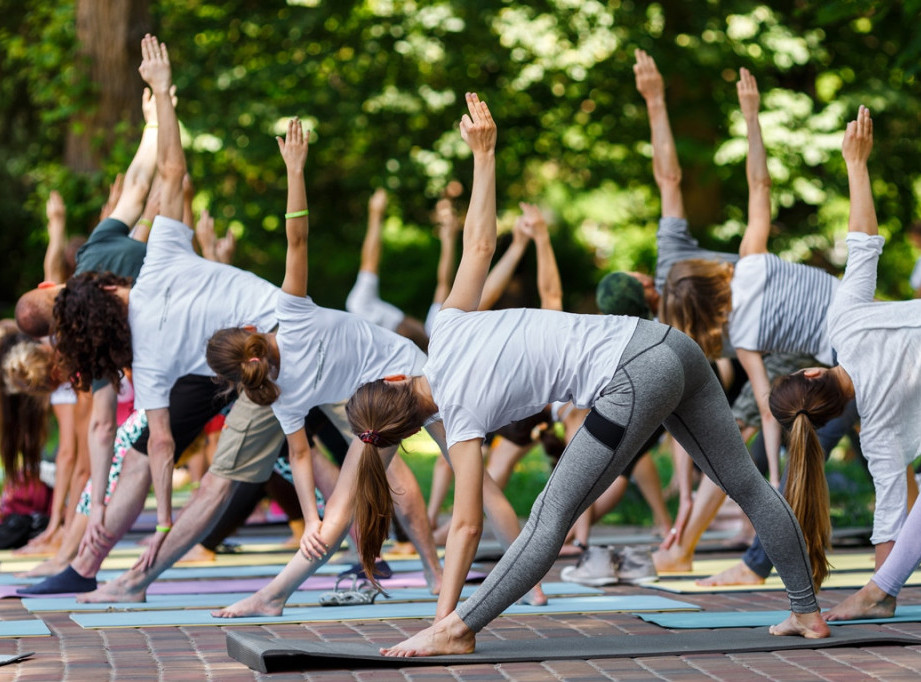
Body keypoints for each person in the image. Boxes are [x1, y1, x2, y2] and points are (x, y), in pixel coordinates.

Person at [344, 93, 828, 657]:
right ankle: (807, 612)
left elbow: (467, 528)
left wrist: (444, 616)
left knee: (549, 516)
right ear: (399, 380)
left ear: (404, 430)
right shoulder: (447, 326)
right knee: (745, 483)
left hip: (631, 376)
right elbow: (480, 242)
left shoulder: (462, 425)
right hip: (669, 344)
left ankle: (459, 631)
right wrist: (484, 154)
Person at [44, 36, 440, 601]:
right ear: (110, 289)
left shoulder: (150, 362)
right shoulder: (157, 263)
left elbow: (159, 446)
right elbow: (173, 175)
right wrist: (161, 97)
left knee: (226, 480)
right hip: (298, 340)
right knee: (367, 450)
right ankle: (425, 569)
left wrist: (159, 522)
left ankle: (139, 581)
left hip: (275, 358)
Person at [205, 118, 544, 618]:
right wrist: (295, 170)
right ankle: (532, 586)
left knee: (340, 510)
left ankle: (272, 595)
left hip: (383, 403)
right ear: (251, 332)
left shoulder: (279, 390)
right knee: (479, 484)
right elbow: (297, 240)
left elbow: (300, 458)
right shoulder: (291, 316)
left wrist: (313, 515)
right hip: (414, 381)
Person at [652, 66, 862, 587]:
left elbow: (770, 408)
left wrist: (772, 472)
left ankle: (755, 569)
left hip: (851, 363)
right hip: (864, 324)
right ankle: (764, 563)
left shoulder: (743, 340)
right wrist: (751, 118)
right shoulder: (751, 258)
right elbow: (759, 183)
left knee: (803, 463)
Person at [772, 108, 921, 592]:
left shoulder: (878, 434)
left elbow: (892, 515)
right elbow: (863, 245)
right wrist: (856, 164)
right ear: (813, 374)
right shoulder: (846, 326)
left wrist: (881, 592)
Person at [346, 188, 430, 351]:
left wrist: (376, 214)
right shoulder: (361, 307)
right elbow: (369, 264)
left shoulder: (360, 307)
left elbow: (369, 265)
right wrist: (375, 214)